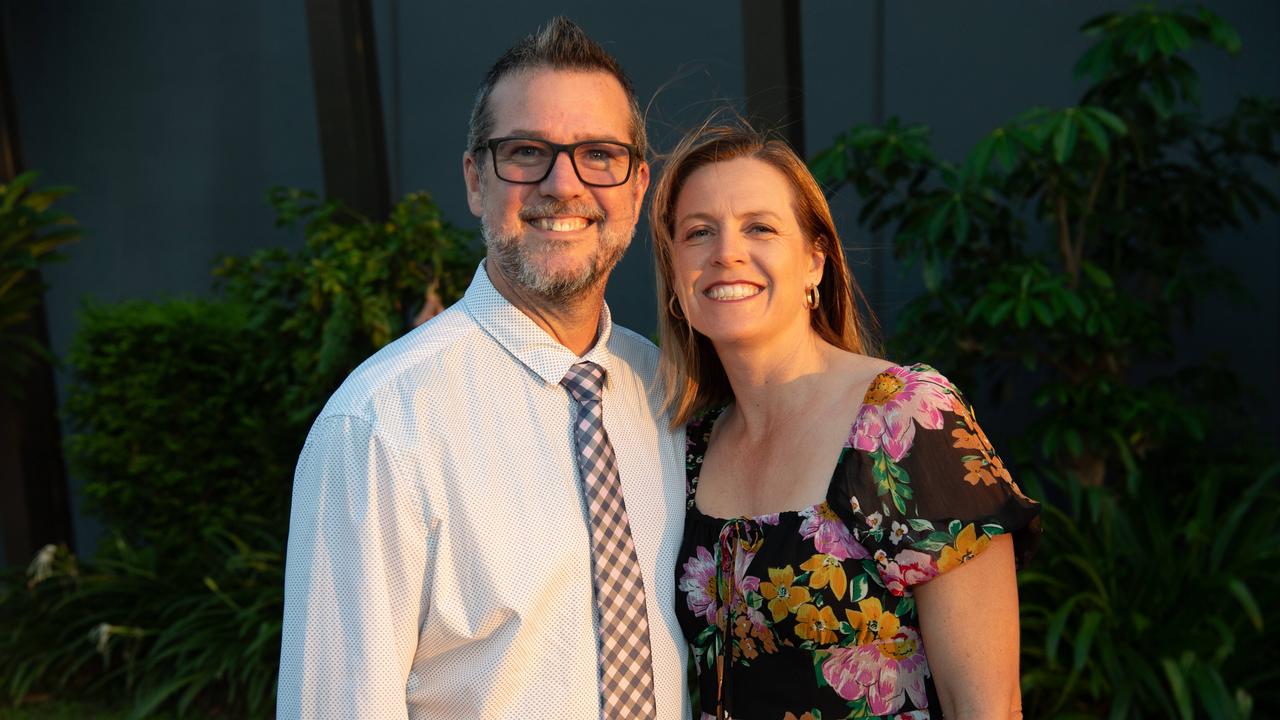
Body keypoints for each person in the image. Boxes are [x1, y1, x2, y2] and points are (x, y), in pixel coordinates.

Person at [277, 18, 688, 719]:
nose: (564, 185)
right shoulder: (379, 425)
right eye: (526, 151)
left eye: (598, 154)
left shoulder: (665, 391)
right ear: (475, 180)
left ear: (638, 185)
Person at [650, 122, 1041, 719]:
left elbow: (986, 706)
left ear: (815, 262)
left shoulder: (905, 419)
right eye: (698, 232)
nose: (725, 252)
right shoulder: (687, 446)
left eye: (759, 227)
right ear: (677, 277)